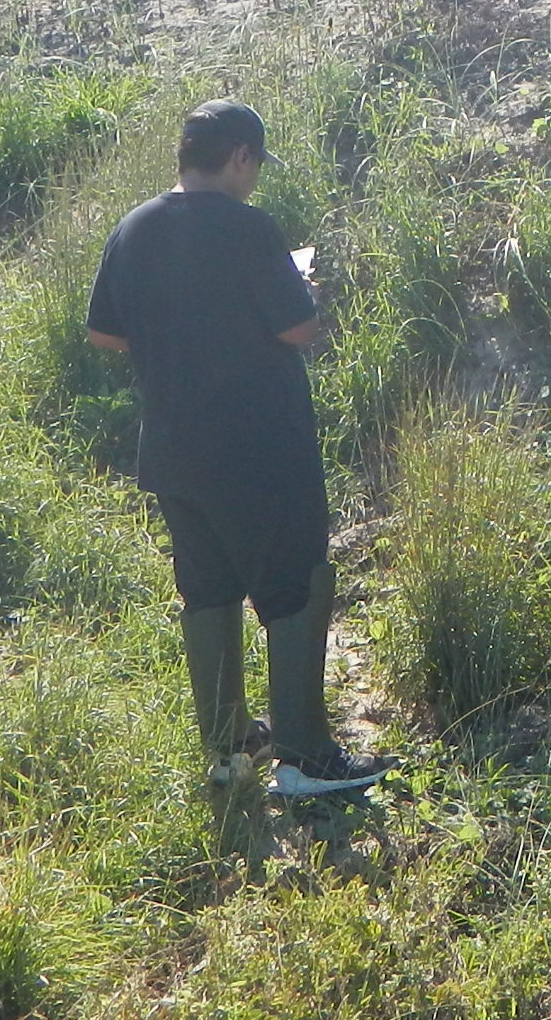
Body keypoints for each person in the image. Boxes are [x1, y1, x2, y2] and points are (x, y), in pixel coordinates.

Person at [85, 100, 381, 802]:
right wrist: (298, 286)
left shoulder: (134, 227)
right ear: (241, 156)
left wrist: (178, 333)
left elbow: (103, 334)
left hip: (173, 453)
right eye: (255, 166)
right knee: (293, 590)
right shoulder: (249, 229)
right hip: (259, 451)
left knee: (208, 591)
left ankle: (228, 751)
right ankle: (305, 757)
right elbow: (300, 329)